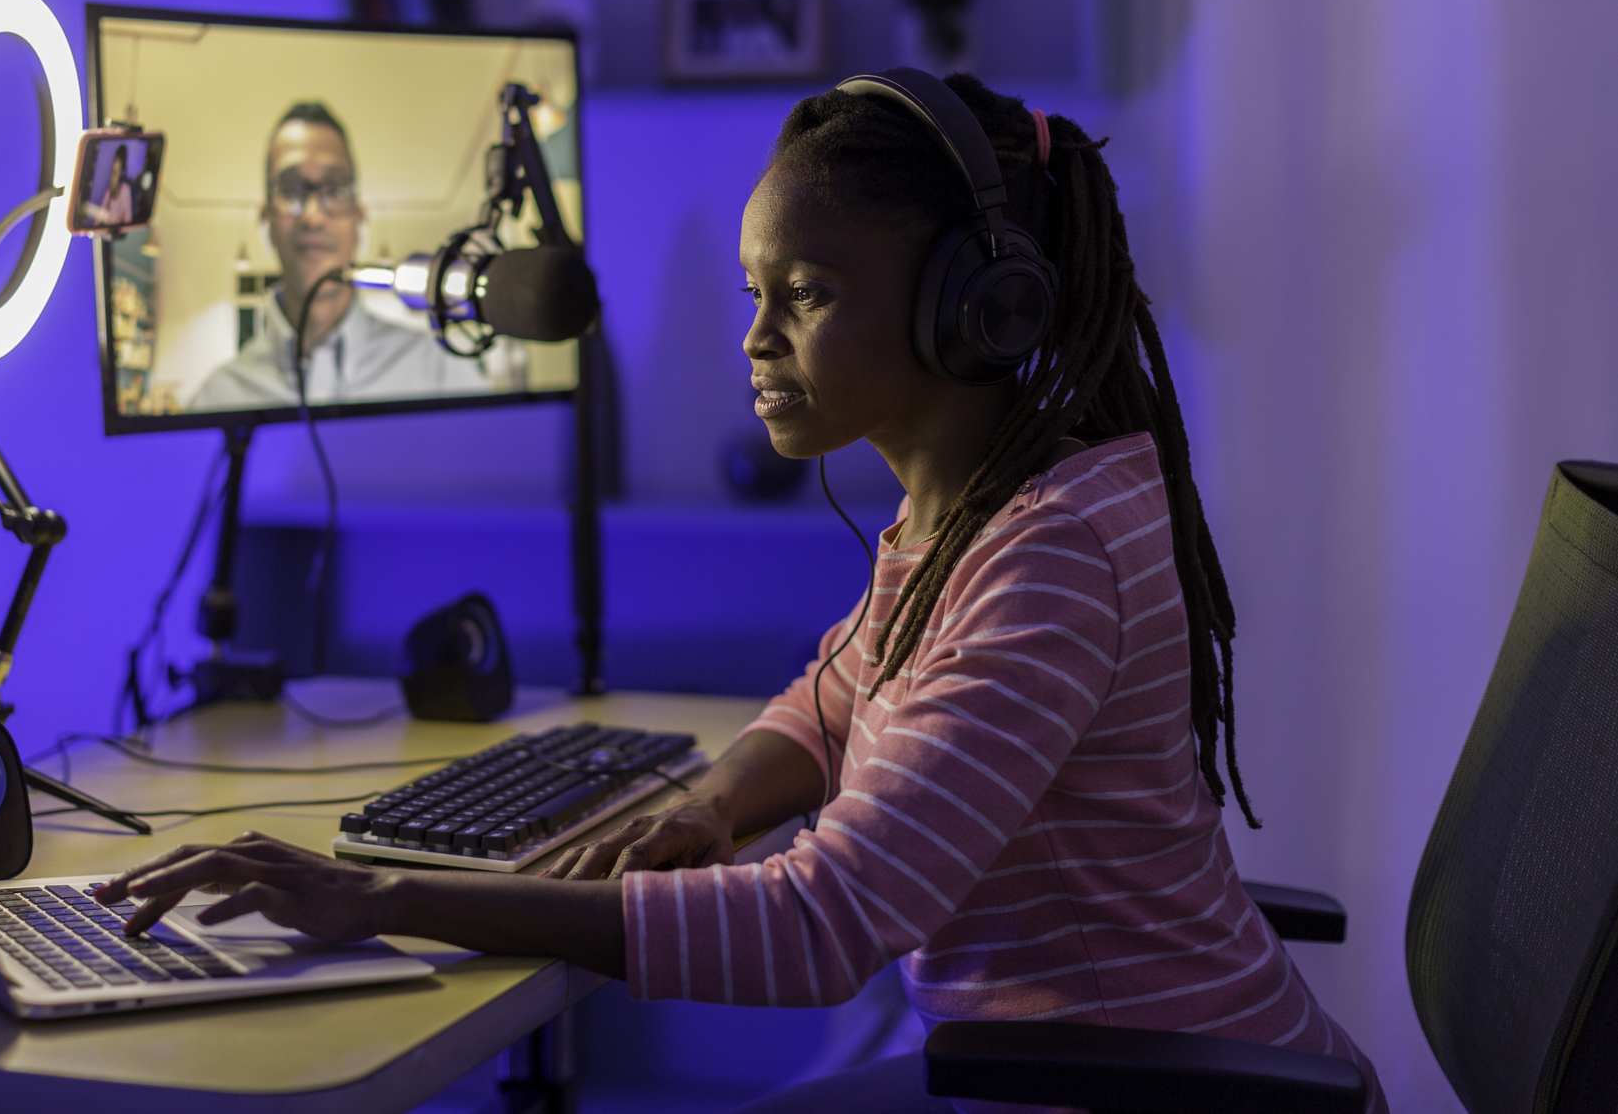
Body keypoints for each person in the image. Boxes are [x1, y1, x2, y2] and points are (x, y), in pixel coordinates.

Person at [100, 74, 1385, 1112]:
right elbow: (845, 695)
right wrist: (717, 801)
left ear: (972, 310)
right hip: (1088, 1061)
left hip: (1146, 1083)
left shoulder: (1047, 558)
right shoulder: (980, 503)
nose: (759, 339)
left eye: (809, 295)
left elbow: (822, 928)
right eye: (755, 294)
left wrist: (385, 898)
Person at [190, 101, 492, 409]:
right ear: (266, 220)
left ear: (359, 219)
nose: (313, 216)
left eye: (334, 190)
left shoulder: (443, 376)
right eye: (291, 190)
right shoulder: (217, 401)